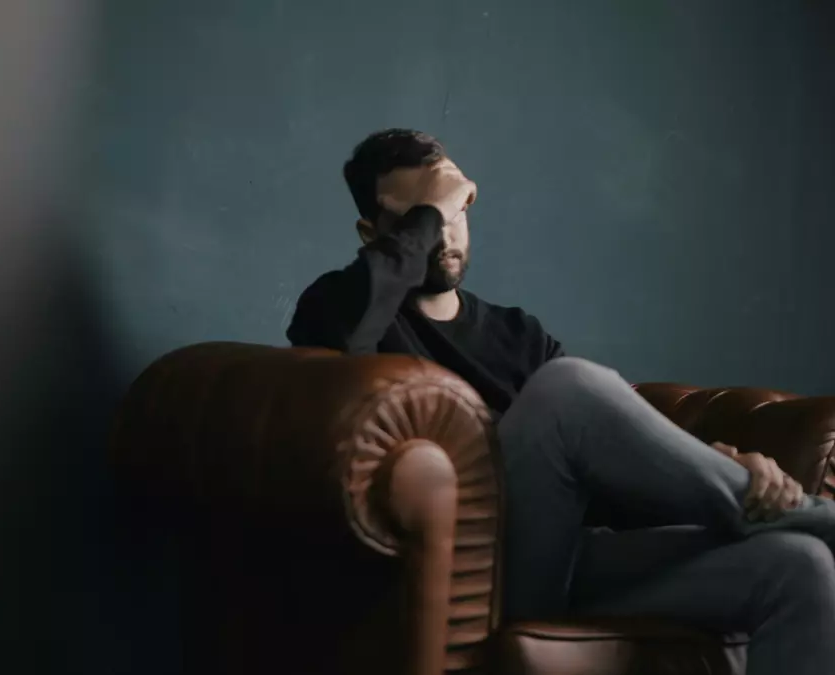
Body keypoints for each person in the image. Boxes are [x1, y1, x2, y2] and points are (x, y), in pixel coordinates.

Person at [287, 128, 835, 675]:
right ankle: (808, 516)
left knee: (799, 566)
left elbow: (613, 442)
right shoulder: (340, 307)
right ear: (372, 233)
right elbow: (340, 333)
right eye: (425, 216)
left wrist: (720, 463)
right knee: (565, 389)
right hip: (484, 573)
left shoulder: (518, 333)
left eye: (457, 209)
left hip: (578, 560)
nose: (445, 232)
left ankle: (781, 517)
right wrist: (432, 207)